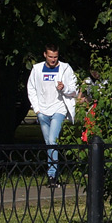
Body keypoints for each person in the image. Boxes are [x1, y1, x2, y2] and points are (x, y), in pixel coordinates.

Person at [27, 44, 78, 186]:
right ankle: (53, 174)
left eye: (55, 57)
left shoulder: (65, 68)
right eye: (50, 57)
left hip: (58, 109)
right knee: (48, 143)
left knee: (52, 140)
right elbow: (31, 89)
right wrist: (37, 110)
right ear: (45, 55)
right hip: (42, 111)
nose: (53, 60)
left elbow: (74, 90)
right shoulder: (37, 69)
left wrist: (64, 88)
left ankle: (52, 175)